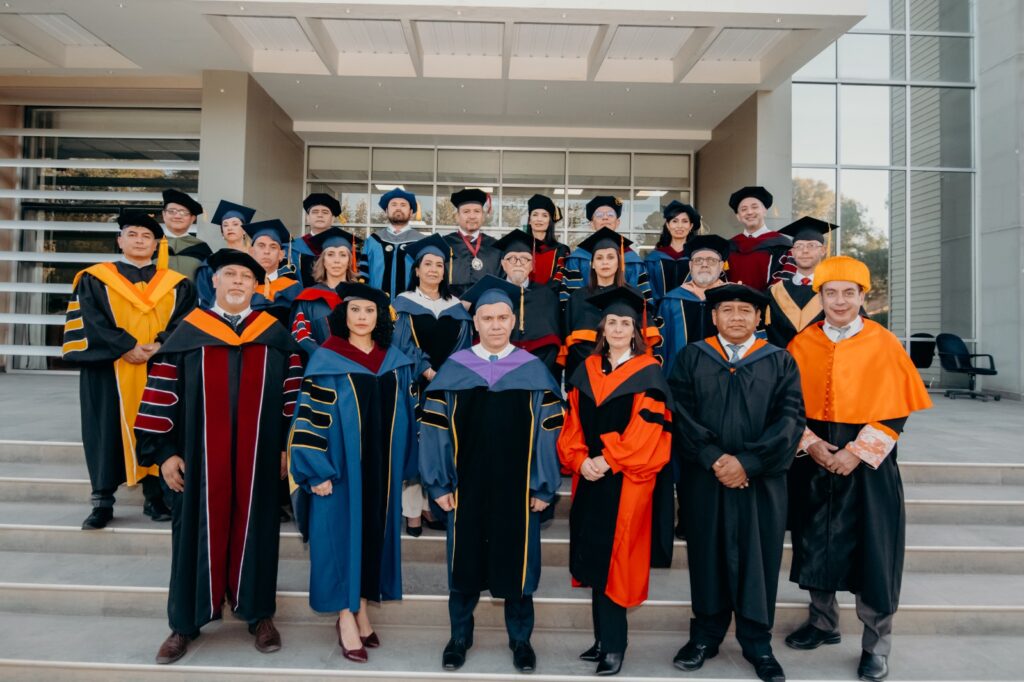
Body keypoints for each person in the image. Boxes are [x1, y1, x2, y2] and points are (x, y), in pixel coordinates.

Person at [134, 249, 303, 664]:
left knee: (258, 530)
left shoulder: (274, 335)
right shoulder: (188, 333)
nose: (238, 282)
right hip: (198, 459)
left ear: (256, 285)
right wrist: (165, 453)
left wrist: (287, 445)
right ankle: (184, 623)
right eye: (230, 274)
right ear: (214, 280)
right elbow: (161, 394)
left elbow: (293, 396)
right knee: (192, 533)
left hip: (259, 458)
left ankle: (259, 614)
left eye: (246, 277)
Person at [785, 256, 932, 682]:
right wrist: (811, 445)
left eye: (849, 293)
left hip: (870, 464)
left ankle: (876, 645)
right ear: (820, 297)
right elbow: (788, 405)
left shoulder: (883, 342)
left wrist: (857, 452)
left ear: (863, 296)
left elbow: (897, 410)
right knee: (815, 541)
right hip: (815, 459)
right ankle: (822, 622)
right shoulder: (802, 344)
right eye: (830, 293)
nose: (839, 301)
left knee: (875, 551)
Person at [419, 275, 564, 674]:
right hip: (465, 485)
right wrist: (438, 483)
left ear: (513, 321)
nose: (496, 325)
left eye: (503, 318)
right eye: (488, 318)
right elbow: (434, 429)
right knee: (464, 562)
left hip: (519, 488)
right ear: (476, 323)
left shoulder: (533, 371)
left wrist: (543, 486)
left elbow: (550, 432)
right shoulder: (455, 371)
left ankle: (521, 639)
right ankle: (459, 636)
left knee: (518, 563)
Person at [668, 283, 805, 682]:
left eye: (746, 311)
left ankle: (757, 642)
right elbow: (679, 412)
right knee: (706, 555)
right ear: (714, 317)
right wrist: (713, 458)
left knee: (758, 559)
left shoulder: (780, 360)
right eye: (727, 310)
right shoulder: (692, 356)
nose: (736, 317)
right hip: (705, 478)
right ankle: (705, 636)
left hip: (760, 481)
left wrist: (748, 462)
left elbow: (791, 419)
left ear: (759, 318)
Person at [288, 282, 418, 663]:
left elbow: (409, 414)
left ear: (380, 318)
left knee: (370, 537)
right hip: (340, 472)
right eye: (355, 310)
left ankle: (360, 607)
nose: (362, 317)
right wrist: (316, 471)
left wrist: (409, 462)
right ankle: (345, 616)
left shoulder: (394, 361)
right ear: (343, 316)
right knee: (341, 539)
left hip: (381, 471)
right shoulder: (327, 360)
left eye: (369, 311)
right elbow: (309, 418)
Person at [557, 286, 673, 676]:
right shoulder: (587, 370)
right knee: (593, 554)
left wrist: (607, 460)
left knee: (617, 560)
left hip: (626, 479)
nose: (619, 329)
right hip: (590, 476)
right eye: (612, 323)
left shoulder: (648, 372)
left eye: (626, 323)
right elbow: (572, 424)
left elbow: (648, 431)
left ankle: (615, 645)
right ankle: (600, 639)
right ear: (602, 329)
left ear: (636, 330)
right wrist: (579, 460)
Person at [61, 210, 196, 530]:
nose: (139, 241)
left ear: (156, 245)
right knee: (104, 430)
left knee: (158, 425)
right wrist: (126, 346)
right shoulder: (94, 278)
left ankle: (154, 496)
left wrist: (161, 343)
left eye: (146, 236)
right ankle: (102, 501)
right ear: (119, 240)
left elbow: (186, 320)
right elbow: (90, 320)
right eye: (132, 234)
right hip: (109, 370)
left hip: (159, 367)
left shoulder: (177, 284)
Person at [391, 233, 473, 537]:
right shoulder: (403, 303)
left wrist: (448, 376)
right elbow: (400, 343)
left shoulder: (457, 307)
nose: (434, 269)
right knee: (415, 443)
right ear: (417, 270)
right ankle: (413, 511)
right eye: (428, 264)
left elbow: (465, 347)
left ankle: (431, 506)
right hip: (414, 385)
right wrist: (426, 371)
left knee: (440, 443)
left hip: (448, 386)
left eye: (439, 265)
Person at [563, 228, 659, 386]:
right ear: (592, 264)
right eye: (599, 258)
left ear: (619, 262)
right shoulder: (577, 298)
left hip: (626, 376)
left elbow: (643, 342)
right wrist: (597, 367)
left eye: (610, 257)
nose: (605, 262)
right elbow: (571, 345)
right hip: (586, 376)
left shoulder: (634, 295)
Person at [655, 234, 730, 373]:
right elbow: (661, 346)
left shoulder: (734, 299)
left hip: (724, 377)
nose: (704, 264)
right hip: (680, 377)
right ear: (690, 265)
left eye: (711, 260)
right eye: (698, 260)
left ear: (721, 266)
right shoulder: (671, 301)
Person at [495, 229, 563, 378]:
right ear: (503, 264)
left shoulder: (547, 296)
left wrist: (536, 372)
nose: (518, 263)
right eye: (512, 259)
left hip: (538, 374)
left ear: (532, 265)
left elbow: (553, 341)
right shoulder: (492, 294)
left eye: (525, 259)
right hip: (497, 373)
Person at [560, 196, 651, 305]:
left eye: (610, 214)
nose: (605, 218)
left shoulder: (633, 260)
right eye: (599, 215)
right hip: (586, 314)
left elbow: (643, 301)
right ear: (591, 224)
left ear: (617, 222)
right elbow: (571, 300)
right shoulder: (577, 259)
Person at [763, 216, 836, 348]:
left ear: (823, 250)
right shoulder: (775, 292)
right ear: (792, 252)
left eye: (811, 245)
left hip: (823, 359)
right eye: (799, 246)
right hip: (781, 359)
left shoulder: (836, 291)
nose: (805, 251)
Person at [289, 227, 361, 356]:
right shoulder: (308, 298)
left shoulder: (362, 296)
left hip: (358, 364)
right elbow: (300, 336)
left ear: (350, 261)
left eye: (343, 255)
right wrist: (327, 359)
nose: (336, 260)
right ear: (322, 260)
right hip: (320, 364)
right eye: (330, 254)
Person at [726, 186, 794, 291]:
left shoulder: (782, 244)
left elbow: (785, 278)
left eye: (754, 207)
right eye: (744, 209)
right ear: (738, 216)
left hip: (769, 300)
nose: (749, 212)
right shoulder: (729, 246)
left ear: (765, 211)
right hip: (732, 300)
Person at [363, 187, 423, 299]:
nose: (398, 208)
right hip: (376, 304)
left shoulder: (421, 241)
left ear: (411, 212)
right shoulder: (373, 240)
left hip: (413, 304)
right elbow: (363, 275)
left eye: (403, 205)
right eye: (394, 205)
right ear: (386, 211)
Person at [195, 199, 257, 308]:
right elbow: (205, 294)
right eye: (225, 225)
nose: (230, 228)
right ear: (222, 233)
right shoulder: (212, 261)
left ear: (244, 230)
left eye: (235, 224)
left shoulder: (256, 258)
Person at [443, 188, 501, 295]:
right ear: (457, 216)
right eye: (466, 211)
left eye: (477, 211)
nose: (472, 216)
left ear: (483, 216)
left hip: (486, 303)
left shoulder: (495, 247)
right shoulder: (444, 244)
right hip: (450, 302)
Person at [245, 219, 302, 323]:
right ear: (251, 252)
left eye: (273, 247)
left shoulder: (293, 288)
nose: (267, 251)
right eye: (261, 246)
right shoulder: (240, 286)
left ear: (281, 255)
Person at [292, 193, 354, 287]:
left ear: (332, 219)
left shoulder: (345, 248)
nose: (320, 215)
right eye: (315, 212)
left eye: (325, 212)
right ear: (307, 218)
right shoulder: (293, 247)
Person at [645, 201, 702, 303]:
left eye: (684, 221)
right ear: (668, 225)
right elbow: (648, 288)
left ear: (691, 226)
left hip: (691, 308)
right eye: (675, 221)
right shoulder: (654, 258)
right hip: (660, 309)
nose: (679, 226)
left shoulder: (698, 258)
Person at [161, 189, 212, 281]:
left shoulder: (201, 248)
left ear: (192, 219)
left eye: (183, 212)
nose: (177, 216)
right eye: (172, 211)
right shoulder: (151, 245)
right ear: (164, 214)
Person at [523, 193, 569, 288]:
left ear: (550, 221)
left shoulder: (561, 250)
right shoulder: (520, 247)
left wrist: (542, 293)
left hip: (550, 296)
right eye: (535, 215)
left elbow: (560, 280)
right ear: (529, 220)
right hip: (521, 295)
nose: (539, 219)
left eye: (544, 215)